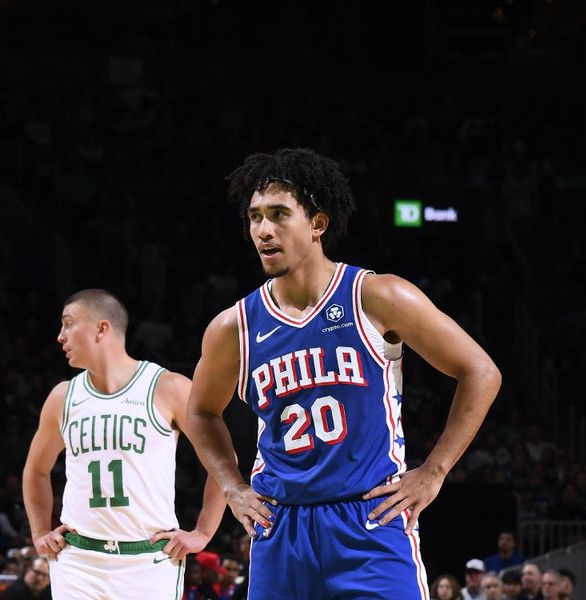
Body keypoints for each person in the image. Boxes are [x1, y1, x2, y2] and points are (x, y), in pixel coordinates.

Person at [186, 148, 502, 599]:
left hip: (369, 521)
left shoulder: (376, 295)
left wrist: (434, 472)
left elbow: (480, 371)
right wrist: (233, 488)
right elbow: (199, 412)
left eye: (279, 215)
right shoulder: (233, 327)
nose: (263, 230)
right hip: (281, 527)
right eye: (255, 217)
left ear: (318, 224)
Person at [22, 289, 227, 599]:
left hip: (149, 560)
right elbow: (36, 470)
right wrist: (39, 532)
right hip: (79, 561)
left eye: (68, 324)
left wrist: (203, 532)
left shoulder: (167, 387)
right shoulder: (62, 398)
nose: (60, 336)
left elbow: (223, 460)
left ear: (101, 328)